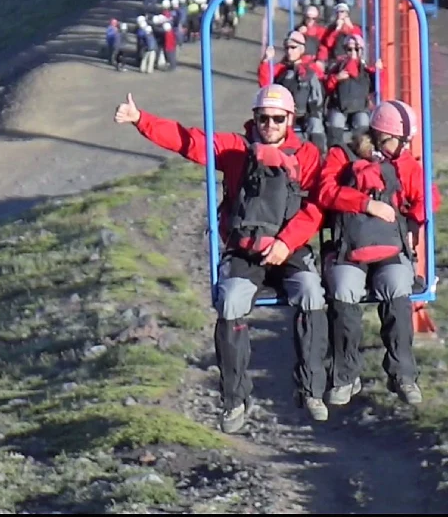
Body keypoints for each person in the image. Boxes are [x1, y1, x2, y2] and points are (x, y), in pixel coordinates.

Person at [113, 85, 331, 433]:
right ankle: (235, 399)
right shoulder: (235, 149)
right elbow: (189, 141)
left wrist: (286, 243)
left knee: (311, 293)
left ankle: (311, 388)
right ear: (254, 118)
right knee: (230, 302)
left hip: (289, 249)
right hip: (244, 249)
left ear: (290, 119)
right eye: (263, 118)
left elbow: (315, 207)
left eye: (277, 119)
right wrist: (142, 120)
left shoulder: (306, 156)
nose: (270, 125)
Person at [315, 99, 441, 407]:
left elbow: (429, 197)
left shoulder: (404, 165)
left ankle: (403, 374)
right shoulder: (341, 157)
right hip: (349, 246)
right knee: (344, 289)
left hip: (388, 247)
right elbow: (325, 192)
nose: (404, 148)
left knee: (397, 286)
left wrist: (412, 222)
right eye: (401, 141)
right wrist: (366, 204)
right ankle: (345, 374)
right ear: (384, 136)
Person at [257, 31, 326, 153]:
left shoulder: (312, 68)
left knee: (315, 126)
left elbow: (321, 89)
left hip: (308, 111)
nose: (289, 51)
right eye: (287, 48)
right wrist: (266, 61)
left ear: (301, 49)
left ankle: (319, 156)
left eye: (293, 48)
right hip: (286, 112)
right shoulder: (281, 69)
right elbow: (266, 85)